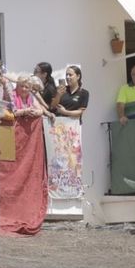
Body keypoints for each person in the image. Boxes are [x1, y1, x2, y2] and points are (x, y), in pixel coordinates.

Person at [48, 64, 89, 201]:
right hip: (59, 129)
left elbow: (80, 112)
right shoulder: (62, 91)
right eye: (66, 74)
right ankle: (57, 186)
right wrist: (58, 94)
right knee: (59, 158)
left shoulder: (83, 93)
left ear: (78, 76)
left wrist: (66, 112)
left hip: (74, 129)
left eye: (70, 74)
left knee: (73, 158)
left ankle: (73, 187)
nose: (67, 77)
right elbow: (52, 107)